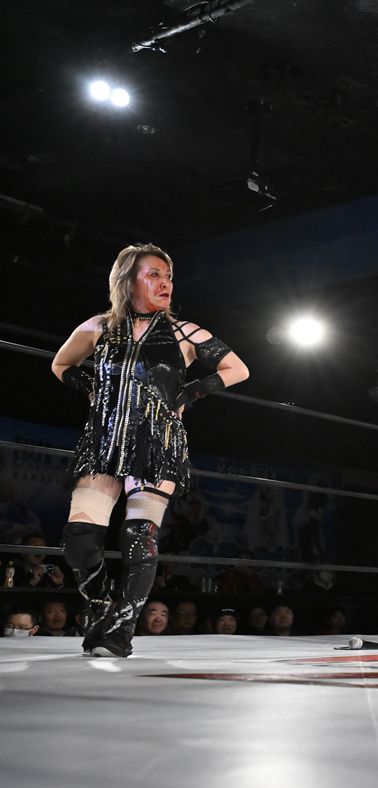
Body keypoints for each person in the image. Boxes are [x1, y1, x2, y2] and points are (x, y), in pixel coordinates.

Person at [51, 244, 249, 658]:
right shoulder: (99, 327)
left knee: (138, 537)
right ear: (128, 280)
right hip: (104, 442)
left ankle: (120, 631)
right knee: (80, 539)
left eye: (169, 276)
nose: (165, 283)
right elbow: (61, 364)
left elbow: (238, 368)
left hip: (157, 444)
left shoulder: (184, 332)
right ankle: (104, 608)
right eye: (154, 275)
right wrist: (92, 389)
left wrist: (191, 392)